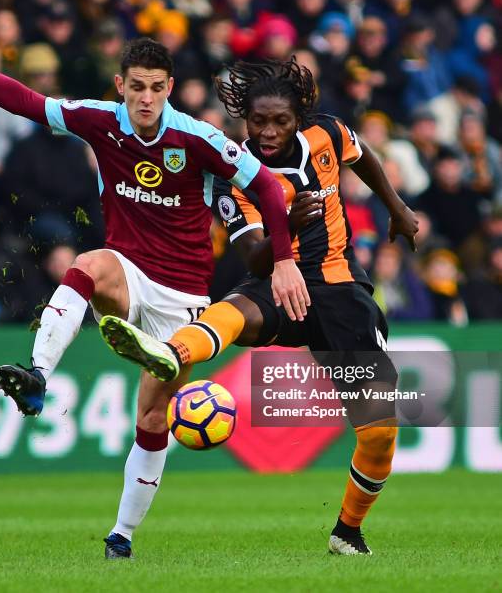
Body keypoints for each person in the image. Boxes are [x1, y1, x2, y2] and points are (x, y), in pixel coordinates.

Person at [0, 21, 307, 559]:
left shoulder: (198, 138)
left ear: (169, 88)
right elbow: (25, 101)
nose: (145, 98)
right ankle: (37, 376)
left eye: (156, 87)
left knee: (152, 421)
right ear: (120, 84)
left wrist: (284, 260)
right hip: (129, 273)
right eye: (136, 86)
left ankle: (121, 537)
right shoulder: (100, 121)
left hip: (186, 299)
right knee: (88, 264)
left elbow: (264, 184)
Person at [100, 57, 419, 556]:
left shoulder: (328, 134)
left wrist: (395, 206)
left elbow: (366, 157)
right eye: (258, 122)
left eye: (280, 122)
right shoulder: (235, 171)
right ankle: (172, 353)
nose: (267, 132)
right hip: (275, 278)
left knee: (379, 430)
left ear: (300, 119)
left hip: (340, 289)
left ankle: (347, 532)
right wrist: (286, 225)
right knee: (233, 314)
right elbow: (253, 254)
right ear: (243, 120)